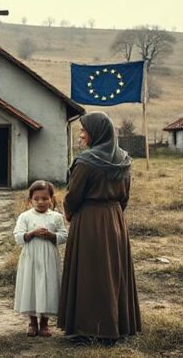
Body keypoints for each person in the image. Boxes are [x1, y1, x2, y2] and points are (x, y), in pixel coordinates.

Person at [57, 111, 141, 342]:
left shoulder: (86, 162)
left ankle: (88, 329)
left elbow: (73, 196)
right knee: (113, 273)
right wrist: (114, 215)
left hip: (89, 220)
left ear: (95, 132)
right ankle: (115, 327)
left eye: (84, 130)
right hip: (115, 219)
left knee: (89, 273)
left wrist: (70, 213)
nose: (81, 135)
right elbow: (125, 196)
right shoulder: (123, 160)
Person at [13, 180, 68, 338]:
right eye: (36, 199)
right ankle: (32, 323)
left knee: (48, 285)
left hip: (49, 257)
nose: (40, 202)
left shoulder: (56, 217)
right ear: (30, 200)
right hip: (30, 257)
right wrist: (31, 234)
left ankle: (44, 323)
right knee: (31, 285)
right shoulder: (25, 217)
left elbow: (64, 236)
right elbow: (18, 236)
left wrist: (51, 235)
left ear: (52, 199)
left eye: (45, 198)